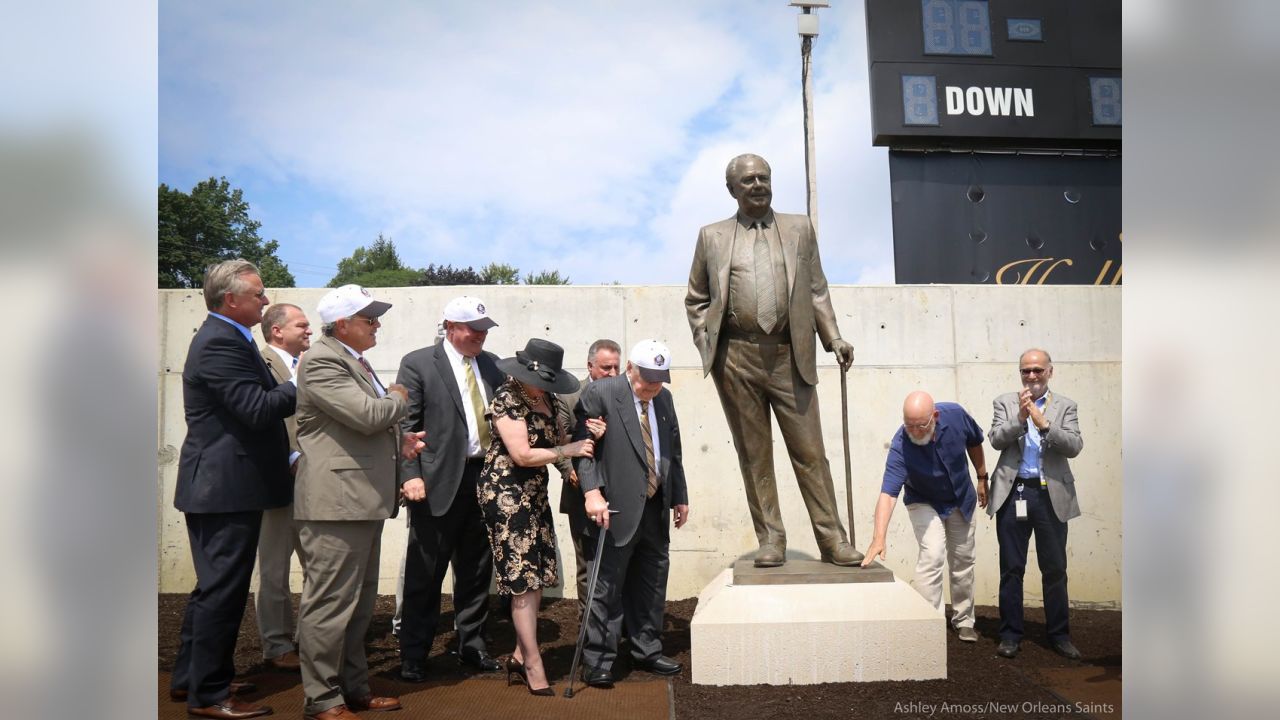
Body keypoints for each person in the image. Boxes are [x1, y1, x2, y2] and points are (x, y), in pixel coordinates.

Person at [685, 153, 860, 568]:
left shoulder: (799, 228)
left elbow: (817, 290)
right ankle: (771, 539)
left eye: (764, 177)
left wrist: (833, 337)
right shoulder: (712, 236)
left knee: (811, 453)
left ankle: (833, 539)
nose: (758, 184)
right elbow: (696, 299)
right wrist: (709, 344)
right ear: (732, 189)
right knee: (754, 454)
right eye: (748, 180)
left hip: (789, 355)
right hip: (737, 358)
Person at [171, 260, 296, 719]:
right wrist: (303, 381)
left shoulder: (228, 339)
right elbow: (257, 408)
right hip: (224, 488)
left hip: (225, 486)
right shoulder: (220, 343)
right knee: (223, 592)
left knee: (214, 589)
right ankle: (210, 694)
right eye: (259, 294)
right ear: (231, 300)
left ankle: (193, 678)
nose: (266, 301)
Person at [293, 284, 423, 720]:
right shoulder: (323, 360)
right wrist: (400, 396)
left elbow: (355, 427)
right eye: (370, 319)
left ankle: (354, 689)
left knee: (357, 604)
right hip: (336, 504)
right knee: (330, 605)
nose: (377, 325)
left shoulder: (351, 360)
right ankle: (322, 698)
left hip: (358, 502)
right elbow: (369, 416)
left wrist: (400, 441)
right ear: (342, 324)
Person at [479, 338, 599, 694]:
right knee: (521, 580)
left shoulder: (545, 397)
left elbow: (561, 436)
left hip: (533, 492)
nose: (547, 386)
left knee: (536, 576)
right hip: (506, 494)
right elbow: (521, 454)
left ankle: (519, 655)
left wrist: (586, 434)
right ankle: (533, 664)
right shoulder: (506, 398)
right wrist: (569, 449)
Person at [394, 295, 504, 682]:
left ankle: (471, 645)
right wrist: (410, 474)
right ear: (450, 327)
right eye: (473, 329)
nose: (480, 336)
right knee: (426, 571)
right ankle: (413, 654)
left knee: (476, 570)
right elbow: (405, 424)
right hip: (436, 482)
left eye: (484, 329)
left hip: (485, 479)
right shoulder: (419, 363)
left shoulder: (492, 365)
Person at [573, 340, 690, 688]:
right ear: (629, 369)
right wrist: (591, 492)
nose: (652, 387)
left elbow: (673, 451)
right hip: (615, 508)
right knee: (606, 587)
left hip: (655, 508)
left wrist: (679, 496)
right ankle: (598, 660)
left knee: (651, 583)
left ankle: (647, 649)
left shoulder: (663, 399)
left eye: (659, 380)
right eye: (646, 380)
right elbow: (583, 448)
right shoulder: (601, 393)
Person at [861, 391, 988, 643]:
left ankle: (964, 620)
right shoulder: (900, 446)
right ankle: (928, 622)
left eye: (921, 425)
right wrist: (878, 538)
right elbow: (888, 494)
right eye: (909, 425)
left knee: (963, 559)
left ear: (935, 417)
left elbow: (974, 441)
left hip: (960, 497)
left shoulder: (955, 415)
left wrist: (982, 477)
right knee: (932, 555)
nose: (915, 432)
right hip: (923, 500)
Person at [988, 348, 1085, 660]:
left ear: (1050, 372)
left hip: (1050, 496)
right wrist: (1020, 419)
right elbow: (995, 439)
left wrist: (1044, 423)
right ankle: (1010, 635)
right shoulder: (1004, 402)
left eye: (1037, 370)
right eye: (1025, 371)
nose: (1031, 376)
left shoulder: (1066, 406)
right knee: (1011, 568)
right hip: (1014, 492)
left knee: (1055, 569)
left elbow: (1074, 446)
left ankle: (1059, 635)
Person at [254, 302, 312, 672]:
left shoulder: (312, 365)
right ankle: (276, 646)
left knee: (319, 568)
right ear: (277, 330)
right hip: (276, 483)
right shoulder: (257, 363)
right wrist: (291, 457)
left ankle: (311, 640)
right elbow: (260, 418)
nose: (310, 331)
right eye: (301, 325)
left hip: (316, 484)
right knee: (275, 570)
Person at [555, 338, 621, 611]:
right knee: (587, 564)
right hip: (580, 491)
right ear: (590, 366)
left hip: (618, 491)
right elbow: (558, 441)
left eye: (617, 367)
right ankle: (588, 625)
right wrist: (570, 471)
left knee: (618, 562)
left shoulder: (624, 395)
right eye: (607, 368)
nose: (613, 374)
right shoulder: (569, 396)